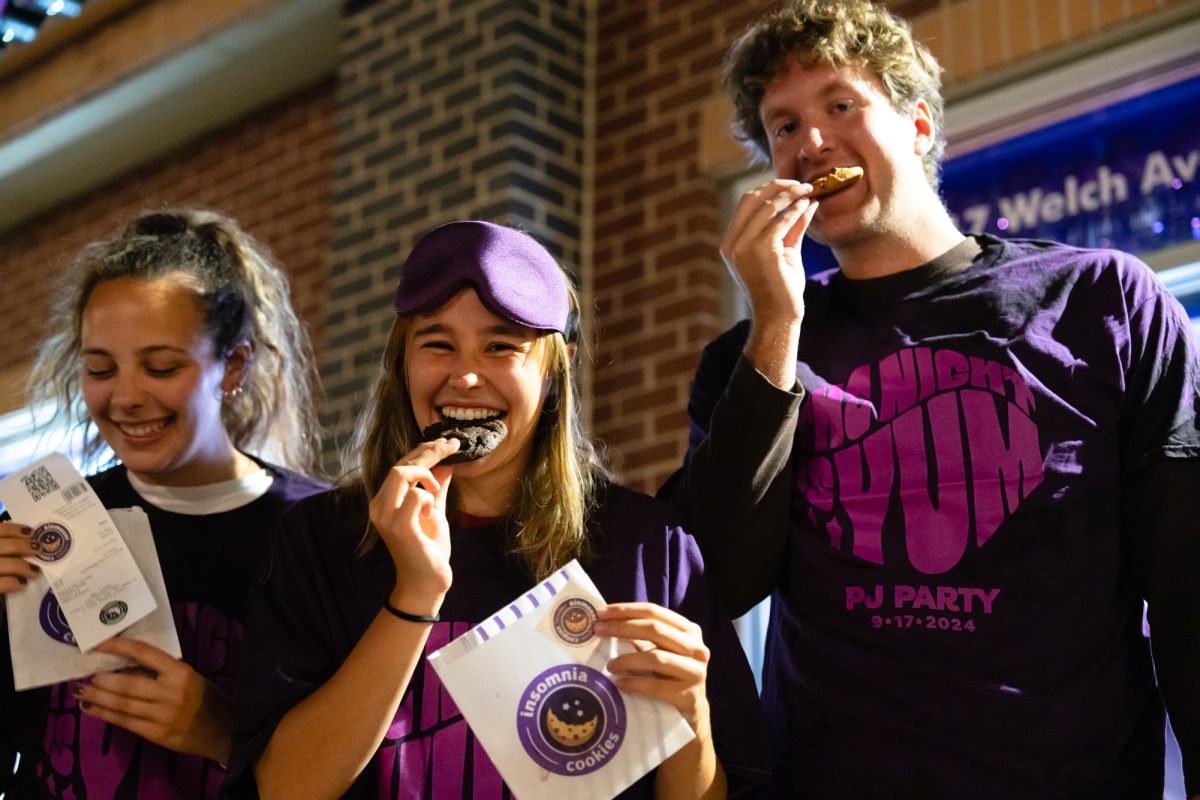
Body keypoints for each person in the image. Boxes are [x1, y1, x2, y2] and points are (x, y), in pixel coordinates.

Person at [658, 1, 1200, 798]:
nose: (811, 143)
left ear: (916, 125)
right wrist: (773, 324)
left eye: (840, 105)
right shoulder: (751, 360)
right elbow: (717, 583)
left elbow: (1188, 579)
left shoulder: (1102, 300)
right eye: (782, 126)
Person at [223, 220, 768, 798]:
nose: (464, 375)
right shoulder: (321, 538)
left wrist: (688, 721)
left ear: (557, 372)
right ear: (401, 364)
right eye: (436, 344)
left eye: (501, 346)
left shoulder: (647, 544)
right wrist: (415, 593)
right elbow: (284, 787)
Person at [0, 208, 328, 799]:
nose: (125, 397)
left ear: (233, 365)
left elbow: (364, 767)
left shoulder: (320, 531)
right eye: (100, 368)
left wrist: (224, 732)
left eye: (161, 366)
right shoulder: (44, 526)